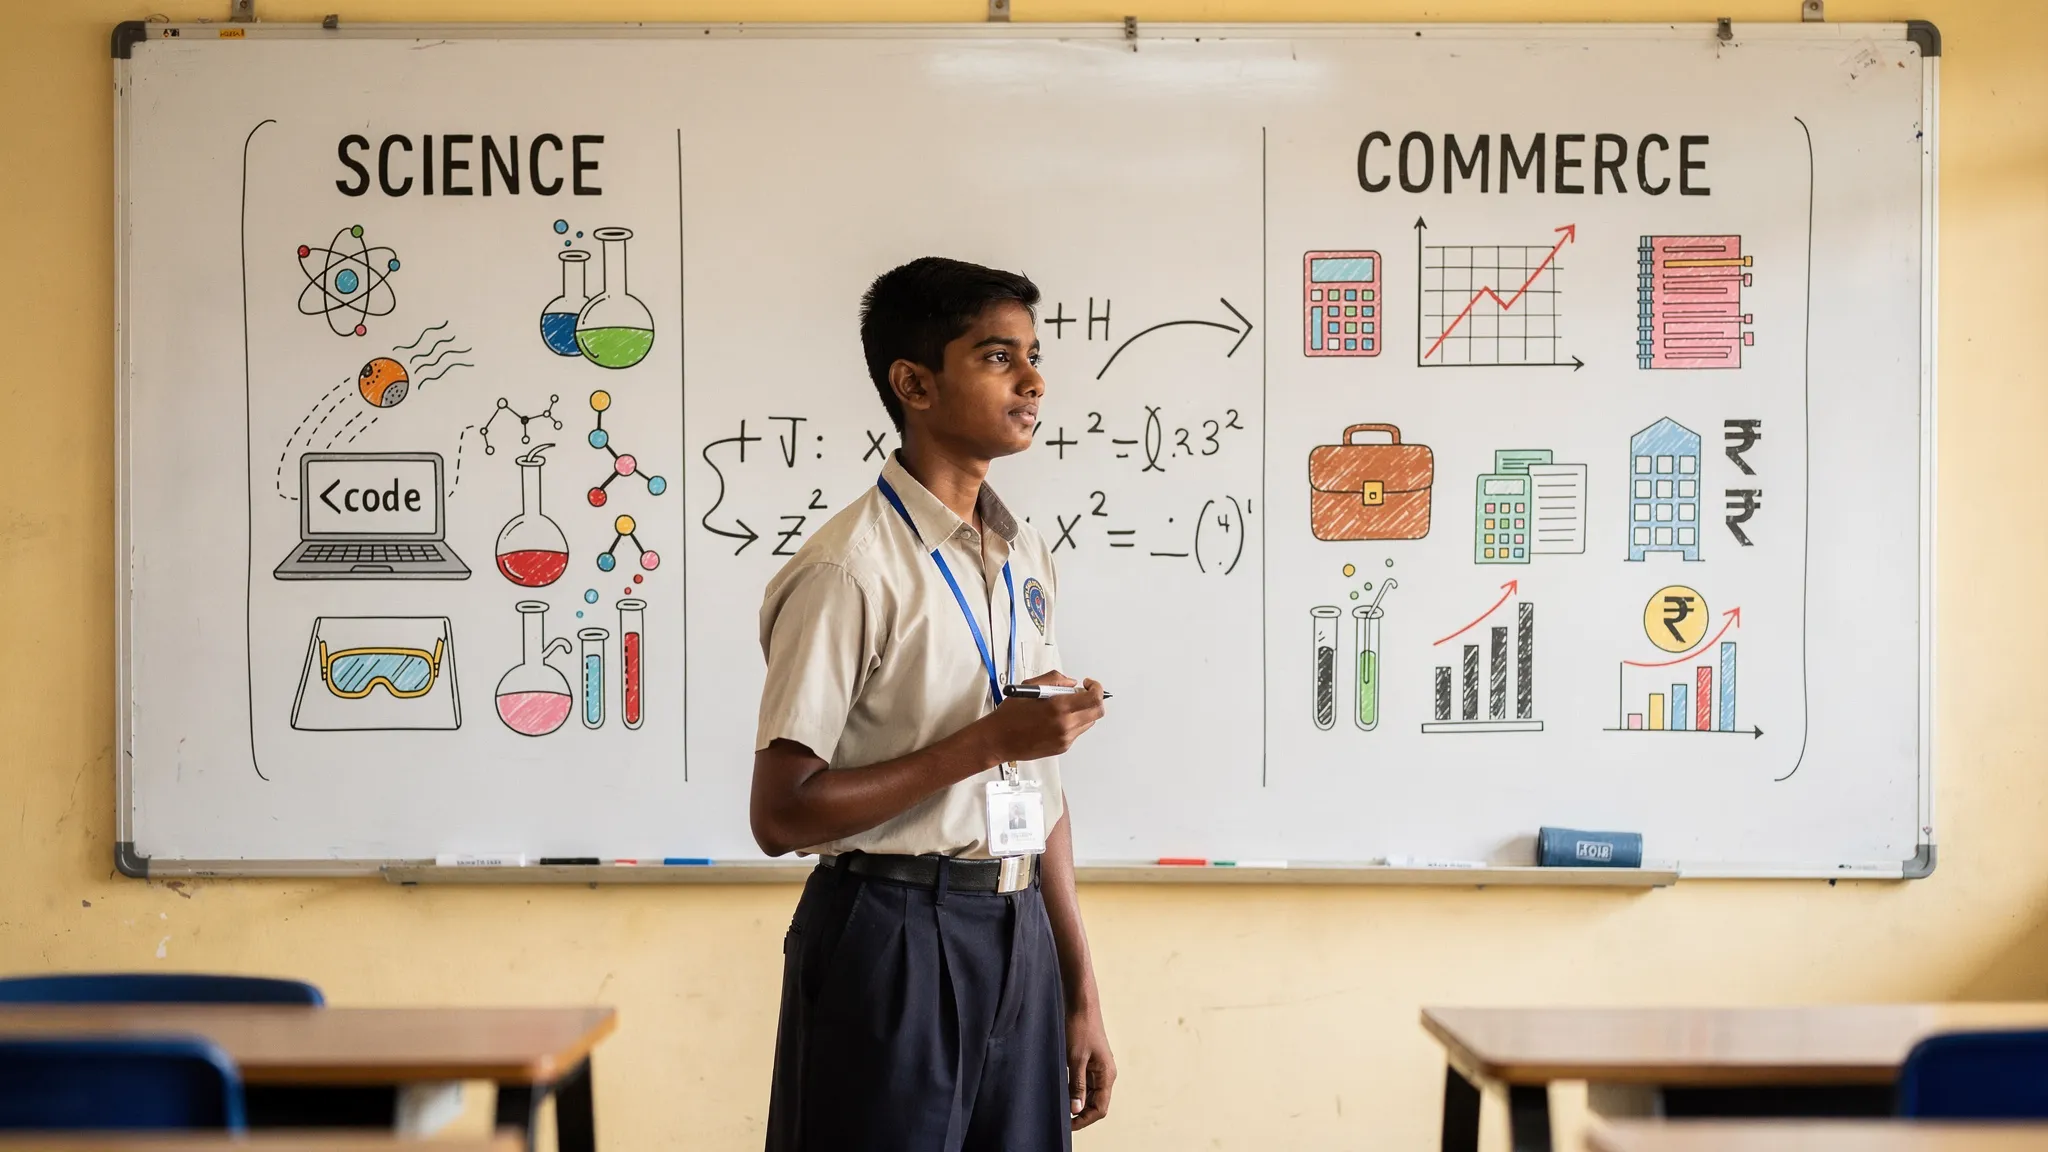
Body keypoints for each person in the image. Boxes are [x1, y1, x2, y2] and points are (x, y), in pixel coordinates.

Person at [752, 256, 1115, 1151]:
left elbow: (1041, 788)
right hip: (892, 932)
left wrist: (1080, 990)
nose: (1033, 380)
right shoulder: (850, 569)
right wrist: (989, 740)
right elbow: (781, 813)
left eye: (1034, 354)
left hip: (1018, 925)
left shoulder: (1022, 553)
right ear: (913, 383)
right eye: (998, 357)